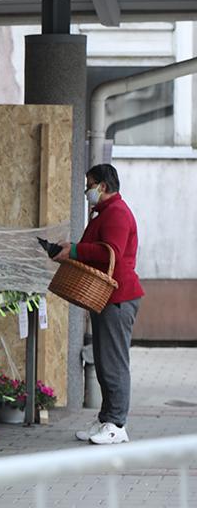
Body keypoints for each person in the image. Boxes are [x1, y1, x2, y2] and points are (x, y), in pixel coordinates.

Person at [53, 163, 143, 444]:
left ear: (102, 186)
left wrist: (74, 250)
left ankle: (117, 424)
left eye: (89, 184)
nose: (85, 190)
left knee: (114, 361)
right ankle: (106, 418)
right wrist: (70, 250)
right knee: (104, 361)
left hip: (118, 297)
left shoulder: (116, 213)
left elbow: (110, 252)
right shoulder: (106, 212)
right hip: (107, 297)